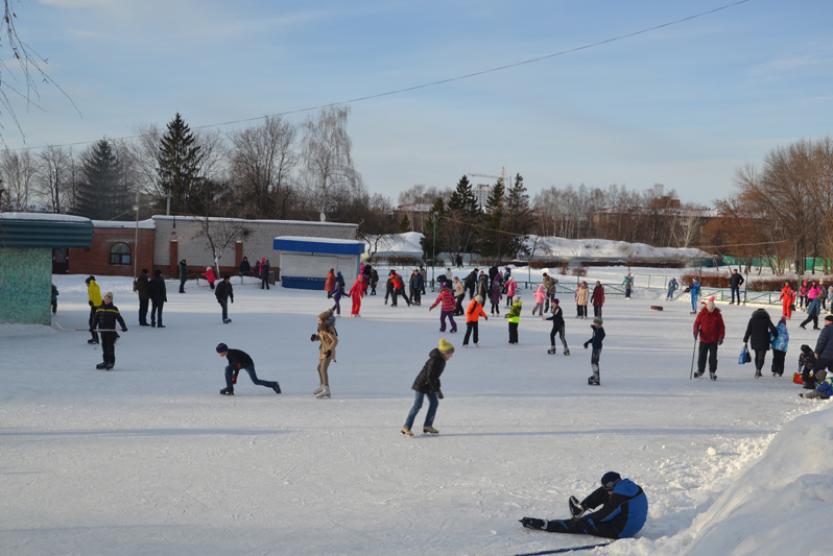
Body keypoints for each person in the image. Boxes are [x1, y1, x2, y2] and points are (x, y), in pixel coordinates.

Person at [520, 471, 648, 540]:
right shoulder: (629, 487)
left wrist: (581, 521)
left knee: (583, 523)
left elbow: (601, 517)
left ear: (612, 485)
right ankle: (579, 509)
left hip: (621, 531)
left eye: (608, 488)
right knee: (603, 492)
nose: (608, 492)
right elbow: (612, 498)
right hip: (631, 522)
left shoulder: (618, 499)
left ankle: (547, 525)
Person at [401, 339, 454, 437]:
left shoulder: (442, 360)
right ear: (444, 353)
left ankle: (428, 426)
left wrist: (438, 389)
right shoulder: (434, 361)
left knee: (434, 403)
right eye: (450, 353)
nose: (451, 356)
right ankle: (406, 427)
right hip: (421, 384)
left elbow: (435, 377)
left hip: (429, 385)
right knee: (418, 405)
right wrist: (437, 390)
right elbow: (430, 377)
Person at [216, 343, 281, 396]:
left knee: (256, 381)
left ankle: (274, 384)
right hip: (241, 364)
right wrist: (234, 376)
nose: (219, 354)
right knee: (228, 369)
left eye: (219, 352)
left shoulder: (232, 354)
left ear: (224, 351)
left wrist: (235, 376)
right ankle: (229, 388)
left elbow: (237, 365)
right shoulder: (228, 355)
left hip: (248, 364)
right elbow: (234, 366)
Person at [92, 291, 127, 370]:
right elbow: (95, 319)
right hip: (103, 331)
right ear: (104, 299)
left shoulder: (114, 309)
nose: (107, 300)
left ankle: (111, 362)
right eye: (106, 298)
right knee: (104, 347)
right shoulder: (99, 308)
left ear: (111, 300)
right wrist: (93, 327)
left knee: (110, 347)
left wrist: (123, 326)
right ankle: (105, 361)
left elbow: (119, 319)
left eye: (109, 299)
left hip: (111, 331)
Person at [693, 296, 725, 380]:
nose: (711, 311)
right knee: (702, 356)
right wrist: (695, 331)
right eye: (709, 310)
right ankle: (700, 370)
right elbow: (696, 323)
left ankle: (712, 372)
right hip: (704, 339)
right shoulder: (702, 313)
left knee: (713, 358)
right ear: (707, 308)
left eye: (712, 310)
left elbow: (722, 327)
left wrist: (721, 337)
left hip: (714, 340)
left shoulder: (717, 315)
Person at [311, 310, 338, 399]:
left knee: (323, 369)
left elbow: (335, 340)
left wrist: (330, 350)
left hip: (329, 352)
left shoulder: (329, 328)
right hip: (323, 351)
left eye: (319, 319)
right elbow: (322, 337)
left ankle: (326, 389)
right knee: (319, 368)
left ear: (324, 320)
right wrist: (315, 338)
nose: (317, 321)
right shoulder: (321, 327)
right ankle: (323, 385)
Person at [743, 308, 778, 378]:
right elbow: (773, 329)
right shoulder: (766, 320)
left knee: (756, 355)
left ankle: (757, 369)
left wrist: (745, 339)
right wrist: (775, 335)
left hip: (754, 340)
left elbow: (748, 330)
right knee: (761, 356)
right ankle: (759, 369)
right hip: (764, 340)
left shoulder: (752, 320)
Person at [583, 317, 606, 385]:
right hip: (595, 348)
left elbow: (599, 337)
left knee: (594, 362)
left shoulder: (600, 330)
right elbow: (594, 338)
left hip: (597, 348)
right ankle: (595, 375)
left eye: (595, 323)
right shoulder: (597, 329)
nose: (594, 324)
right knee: (593, 362)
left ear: (599, 324)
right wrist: (588, 342)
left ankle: (596, 378)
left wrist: (595, 330)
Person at [86, 275, 102, 344]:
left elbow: (94, 294)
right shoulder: (95, 286)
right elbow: (93, 295)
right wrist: (90, 301)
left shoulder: (92, 286)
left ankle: (95, 338)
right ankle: (114, 335)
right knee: (98, 322)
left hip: (96, 306)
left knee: (92, 322)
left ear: (89, 282)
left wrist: (92, 302)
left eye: (86, 283)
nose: (86, 285)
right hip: (97, 305)